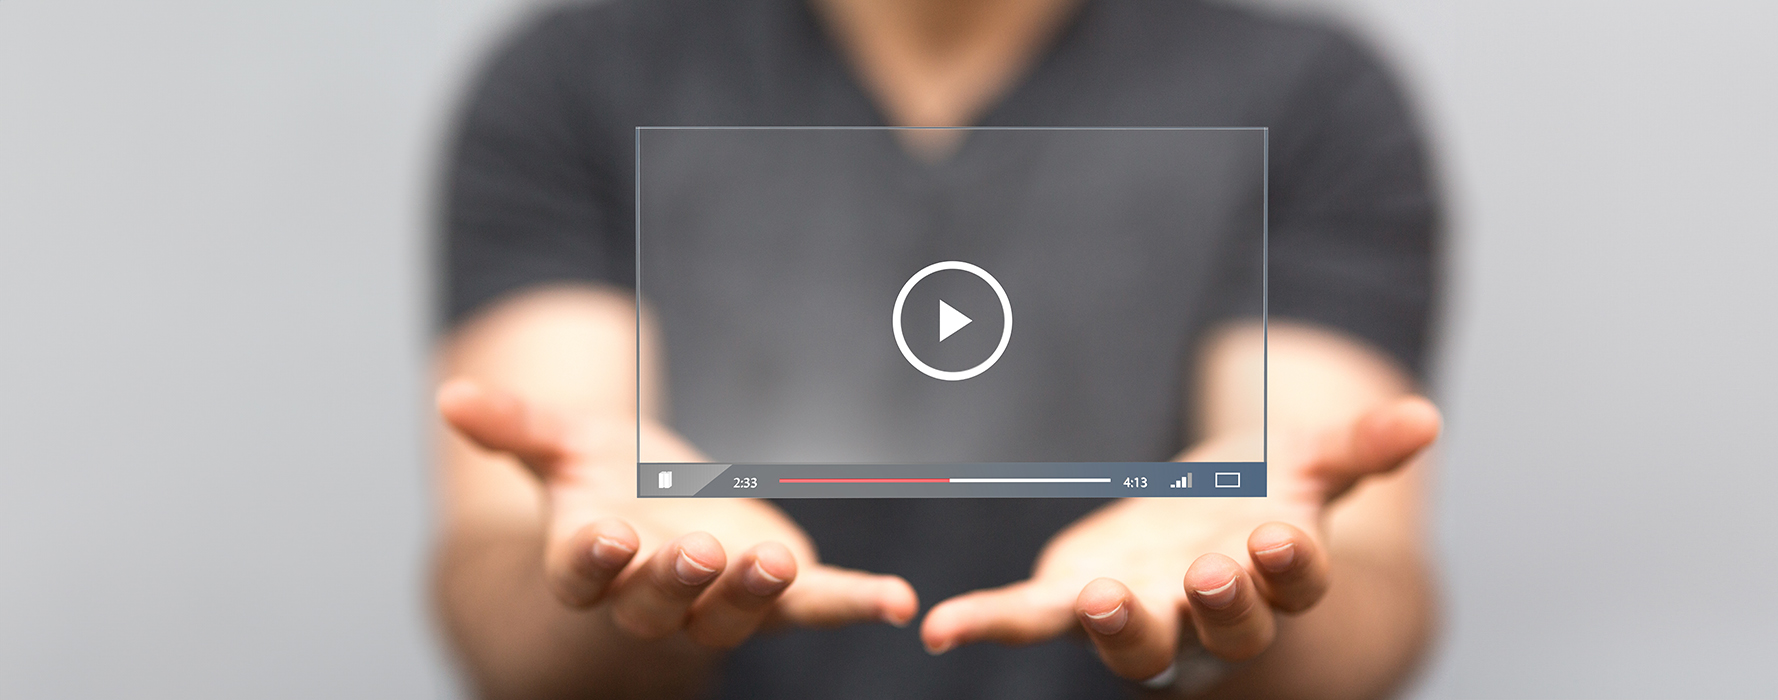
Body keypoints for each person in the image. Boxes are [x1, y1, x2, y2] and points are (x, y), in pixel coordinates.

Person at [430, 0, 1443, 697]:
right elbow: (508, 600)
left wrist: (1246, 596)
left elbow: (1356, 583)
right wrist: (625, 590)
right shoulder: (575, 80)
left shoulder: (1308, 98)